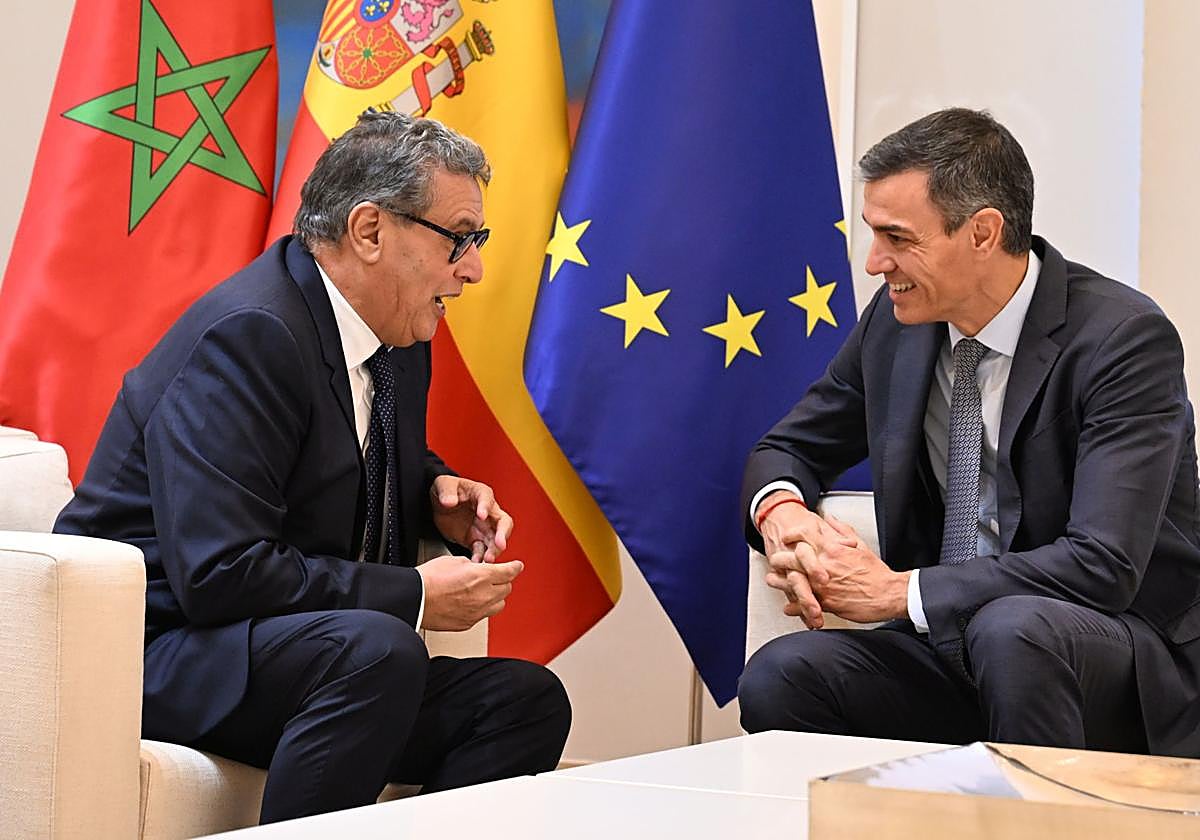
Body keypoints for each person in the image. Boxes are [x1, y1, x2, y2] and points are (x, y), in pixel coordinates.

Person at [54, 112, 571, 822]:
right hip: (156, 652)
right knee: (380, 648)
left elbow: (325, 452)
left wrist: (429, 494)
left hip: (289, 652)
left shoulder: (398, 331)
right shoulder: (250, 334)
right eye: (459, 238)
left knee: (525, 702)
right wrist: (415, 594)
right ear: (368, 231)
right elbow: (219, 572)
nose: (474, 267)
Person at [737, 107, 1200, 757]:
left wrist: (899, 591)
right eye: (875, 235)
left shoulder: (1121, 340)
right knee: (781, 678)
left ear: (983, 232)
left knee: (1012, 631)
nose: (875, 263)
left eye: (898, 239)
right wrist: (785, 514)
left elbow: (1104, 564)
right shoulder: (897, 325)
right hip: (953, 643)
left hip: (1105, 656)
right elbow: (787, 447)